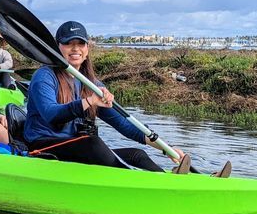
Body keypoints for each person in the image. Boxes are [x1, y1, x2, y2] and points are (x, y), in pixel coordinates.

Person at [23, 20, 192, 174]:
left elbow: (124, 123)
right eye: (68, 43)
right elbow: (51, 115)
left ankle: (167, 181)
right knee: (93, 143)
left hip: (75, 146)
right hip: (43, 145)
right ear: (57, 47)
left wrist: (165, 148)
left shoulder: (90, 83)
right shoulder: (44, 76)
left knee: (137, 155)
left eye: (80, 43)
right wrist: (89, 101)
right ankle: (139, 181)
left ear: (87, 49)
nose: (75, 48)